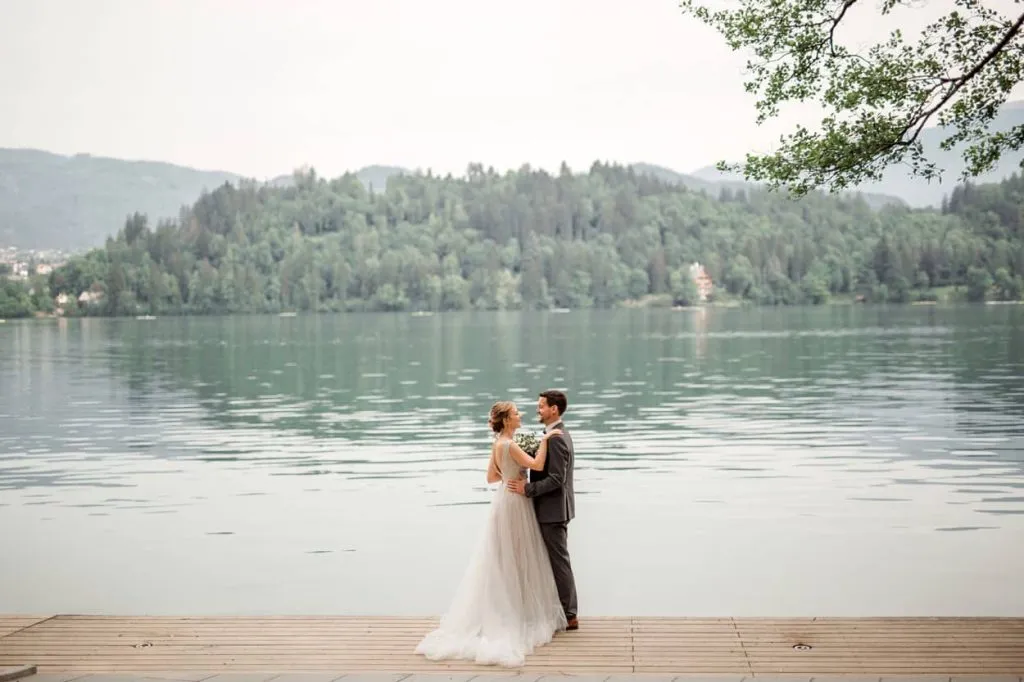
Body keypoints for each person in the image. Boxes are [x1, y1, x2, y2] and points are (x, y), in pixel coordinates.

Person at [414, 400, 567, 667]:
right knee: (519, 554)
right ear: (507, 420)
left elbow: (491, 478)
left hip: (503, 500)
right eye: (516, 413)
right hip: (516, 502)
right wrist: (545, 440)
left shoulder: (498, 444)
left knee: (503, 555)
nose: (520, 415)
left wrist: (509, 473)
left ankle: (507, 609)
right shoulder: (509, 445)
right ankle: (520, 613)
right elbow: (537, 464)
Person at [507, 389, 578, 631]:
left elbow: (557, 479)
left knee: (559, 563)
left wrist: (527, 488)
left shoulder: (556, 438)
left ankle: (570, 615)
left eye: (541, 406)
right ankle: (560, 612)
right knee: (555, 561)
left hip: (553, 510)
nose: (538, 410)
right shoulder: (555, 434)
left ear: (553, 409)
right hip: (554, 509)